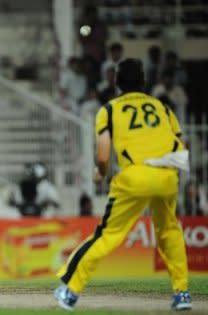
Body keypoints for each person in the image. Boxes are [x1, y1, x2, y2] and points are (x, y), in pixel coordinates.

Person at [54, 59, 192, 311]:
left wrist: (100, 172)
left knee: (107, 235)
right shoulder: (162, 107)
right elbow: (182, 144)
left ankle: (71, 292)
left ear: (116, 82)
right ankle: (182, 293)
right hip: (168, 176)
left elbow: (104, 155)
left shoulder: (109, 109)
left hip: (136, 176)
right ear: (143, 82)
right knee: (170, 231)